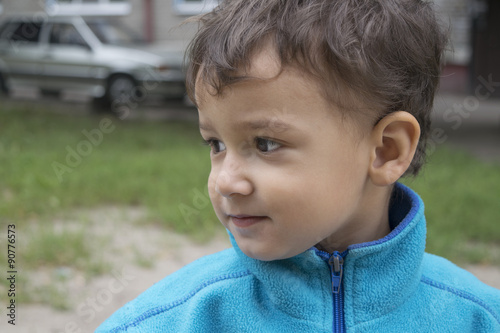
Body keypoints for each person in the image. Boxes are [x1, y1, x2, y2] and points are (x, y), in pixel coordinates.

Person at [97, 0, 500, 331]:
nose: (226, 181)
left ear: (386, 151)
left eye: (266, 143)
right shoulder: (177, 320)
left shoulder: (475, 318)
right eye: (216, 144)